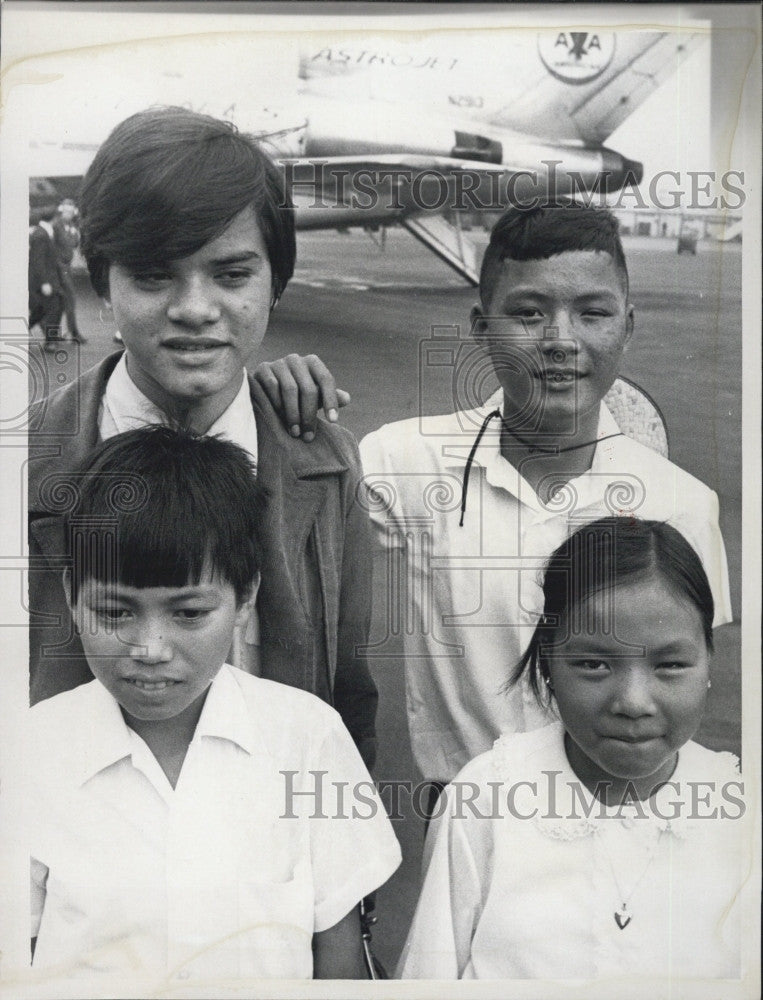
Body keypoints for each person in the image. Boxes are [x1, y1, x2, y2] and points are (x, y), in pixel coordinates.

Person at [252, 203, 732, 803]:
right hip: (463, 818)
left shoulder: (681, 503)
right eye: (529, 313)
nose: (560, 340)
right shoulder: (409, 459)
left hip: (619, 820)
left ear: (627, 328)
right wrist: (272, 402)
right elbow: (284, 517)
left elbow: (682, 690)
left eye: (593, 313)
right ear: (481, 328)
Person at [27, 107, 378, 769]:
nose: (194, 308)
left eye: (232, 274)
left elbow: (349, 699)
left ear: (277, 282)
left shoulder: (329, 466)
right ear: (102, 282)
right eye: (154, 275)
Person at [29, 427, 401, 988]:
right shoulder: (30, 751)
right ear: (72, 595)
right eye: (116, 612)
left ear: (245, 598)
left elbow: (339, 951)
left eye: (189, 613)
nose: (151, 650)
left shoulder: (306, 737)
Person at [396, 517, 744, 980]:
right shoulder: (485, 799)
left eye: (670, 664)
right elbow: (428, 976)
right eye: (593, 663)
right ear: (548, 666)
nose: (633, 703)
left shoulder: (742, 812)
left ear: (707, 664)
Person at [51, 198, 87, 344]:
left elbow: (75, 243)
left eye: (71, 211)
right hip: (58, 267)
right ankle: (74, 333)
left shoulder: (71, 225)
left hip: (66, 267)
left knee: (59, 303)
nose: (69, 213)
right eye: (66, 210)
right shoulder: (56, 225)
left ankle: (53, 334)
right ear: (61, 210)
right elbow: (67, 242)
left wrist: (74, 233)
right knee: (70, 299)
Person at [28, 205, 64, 350]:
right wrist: (45, 282)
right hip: (45, 280)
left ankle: (49, 339)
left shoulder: (38, 234)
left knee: (41, 309)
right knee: (53, 308)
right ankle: (50, 341)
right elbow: (39, 260)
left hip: (42, 280)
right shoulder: (41, 235)